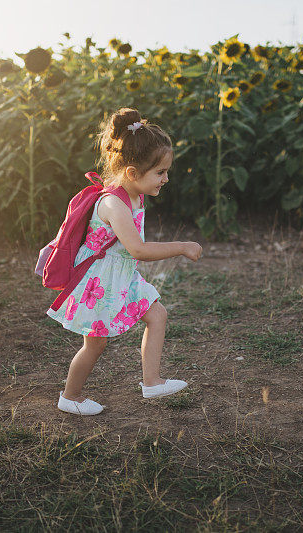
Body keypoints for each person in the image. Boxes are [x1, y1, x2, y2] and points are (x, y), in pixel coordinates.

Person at [47, 107, 203, 416]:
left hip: (121, 276)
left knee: (157, 315)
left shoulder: (134, 195)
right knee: (95, 345)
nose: (166, 178)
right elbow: (138, 250)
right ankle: (70, 396)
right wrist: (182, 246)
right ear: (132, 173)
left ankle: (152, 382)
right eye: (160, 172)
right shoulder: (113, 204)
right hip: (99, 283)